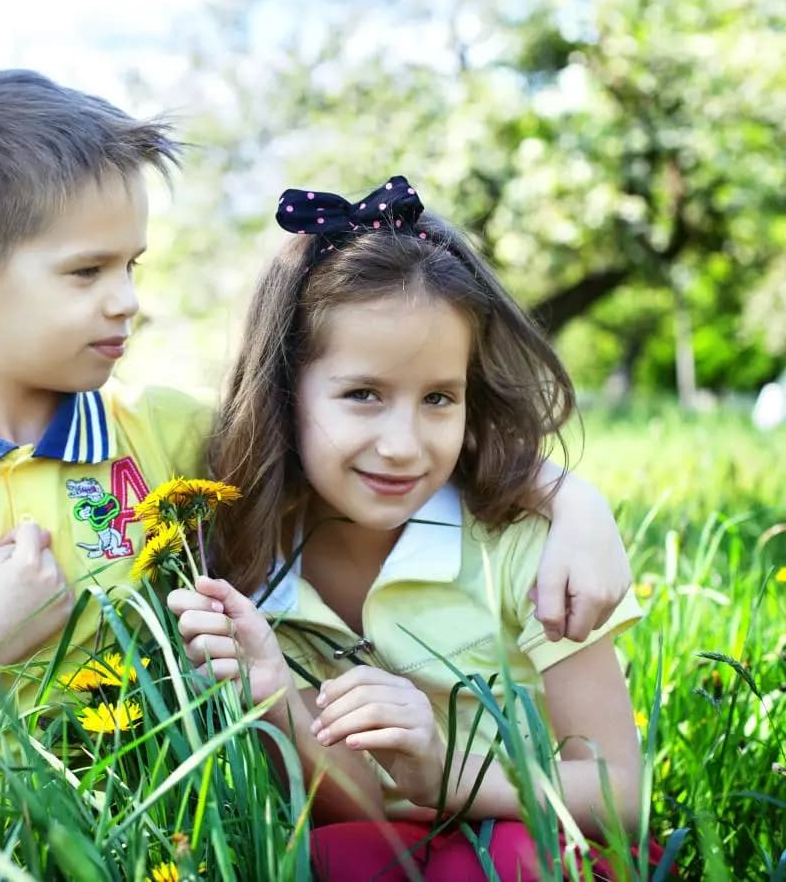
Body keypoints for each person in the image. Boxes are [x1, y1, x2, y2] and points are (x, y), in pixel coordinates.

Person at [0, 75, 630, 812]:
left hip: (155, 824)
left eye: (131, 266)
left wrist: (573, 505)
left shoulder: (168, 435)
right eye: (87, 271)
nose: (127, 300)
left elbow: (357, 437)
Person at [169, 177, 647, 881]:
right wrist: (276, 694)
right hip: (380, 849)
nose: (402, 445)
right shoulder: (246, 560)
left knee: (507, 859)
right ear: (284, 392)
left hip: (536, 841)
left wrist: (445, 774)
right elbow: (358, 808)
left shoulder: (523, 545)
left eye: (438, 398)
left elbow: (621, 795)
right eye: (363, 394)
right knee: (330, 858)